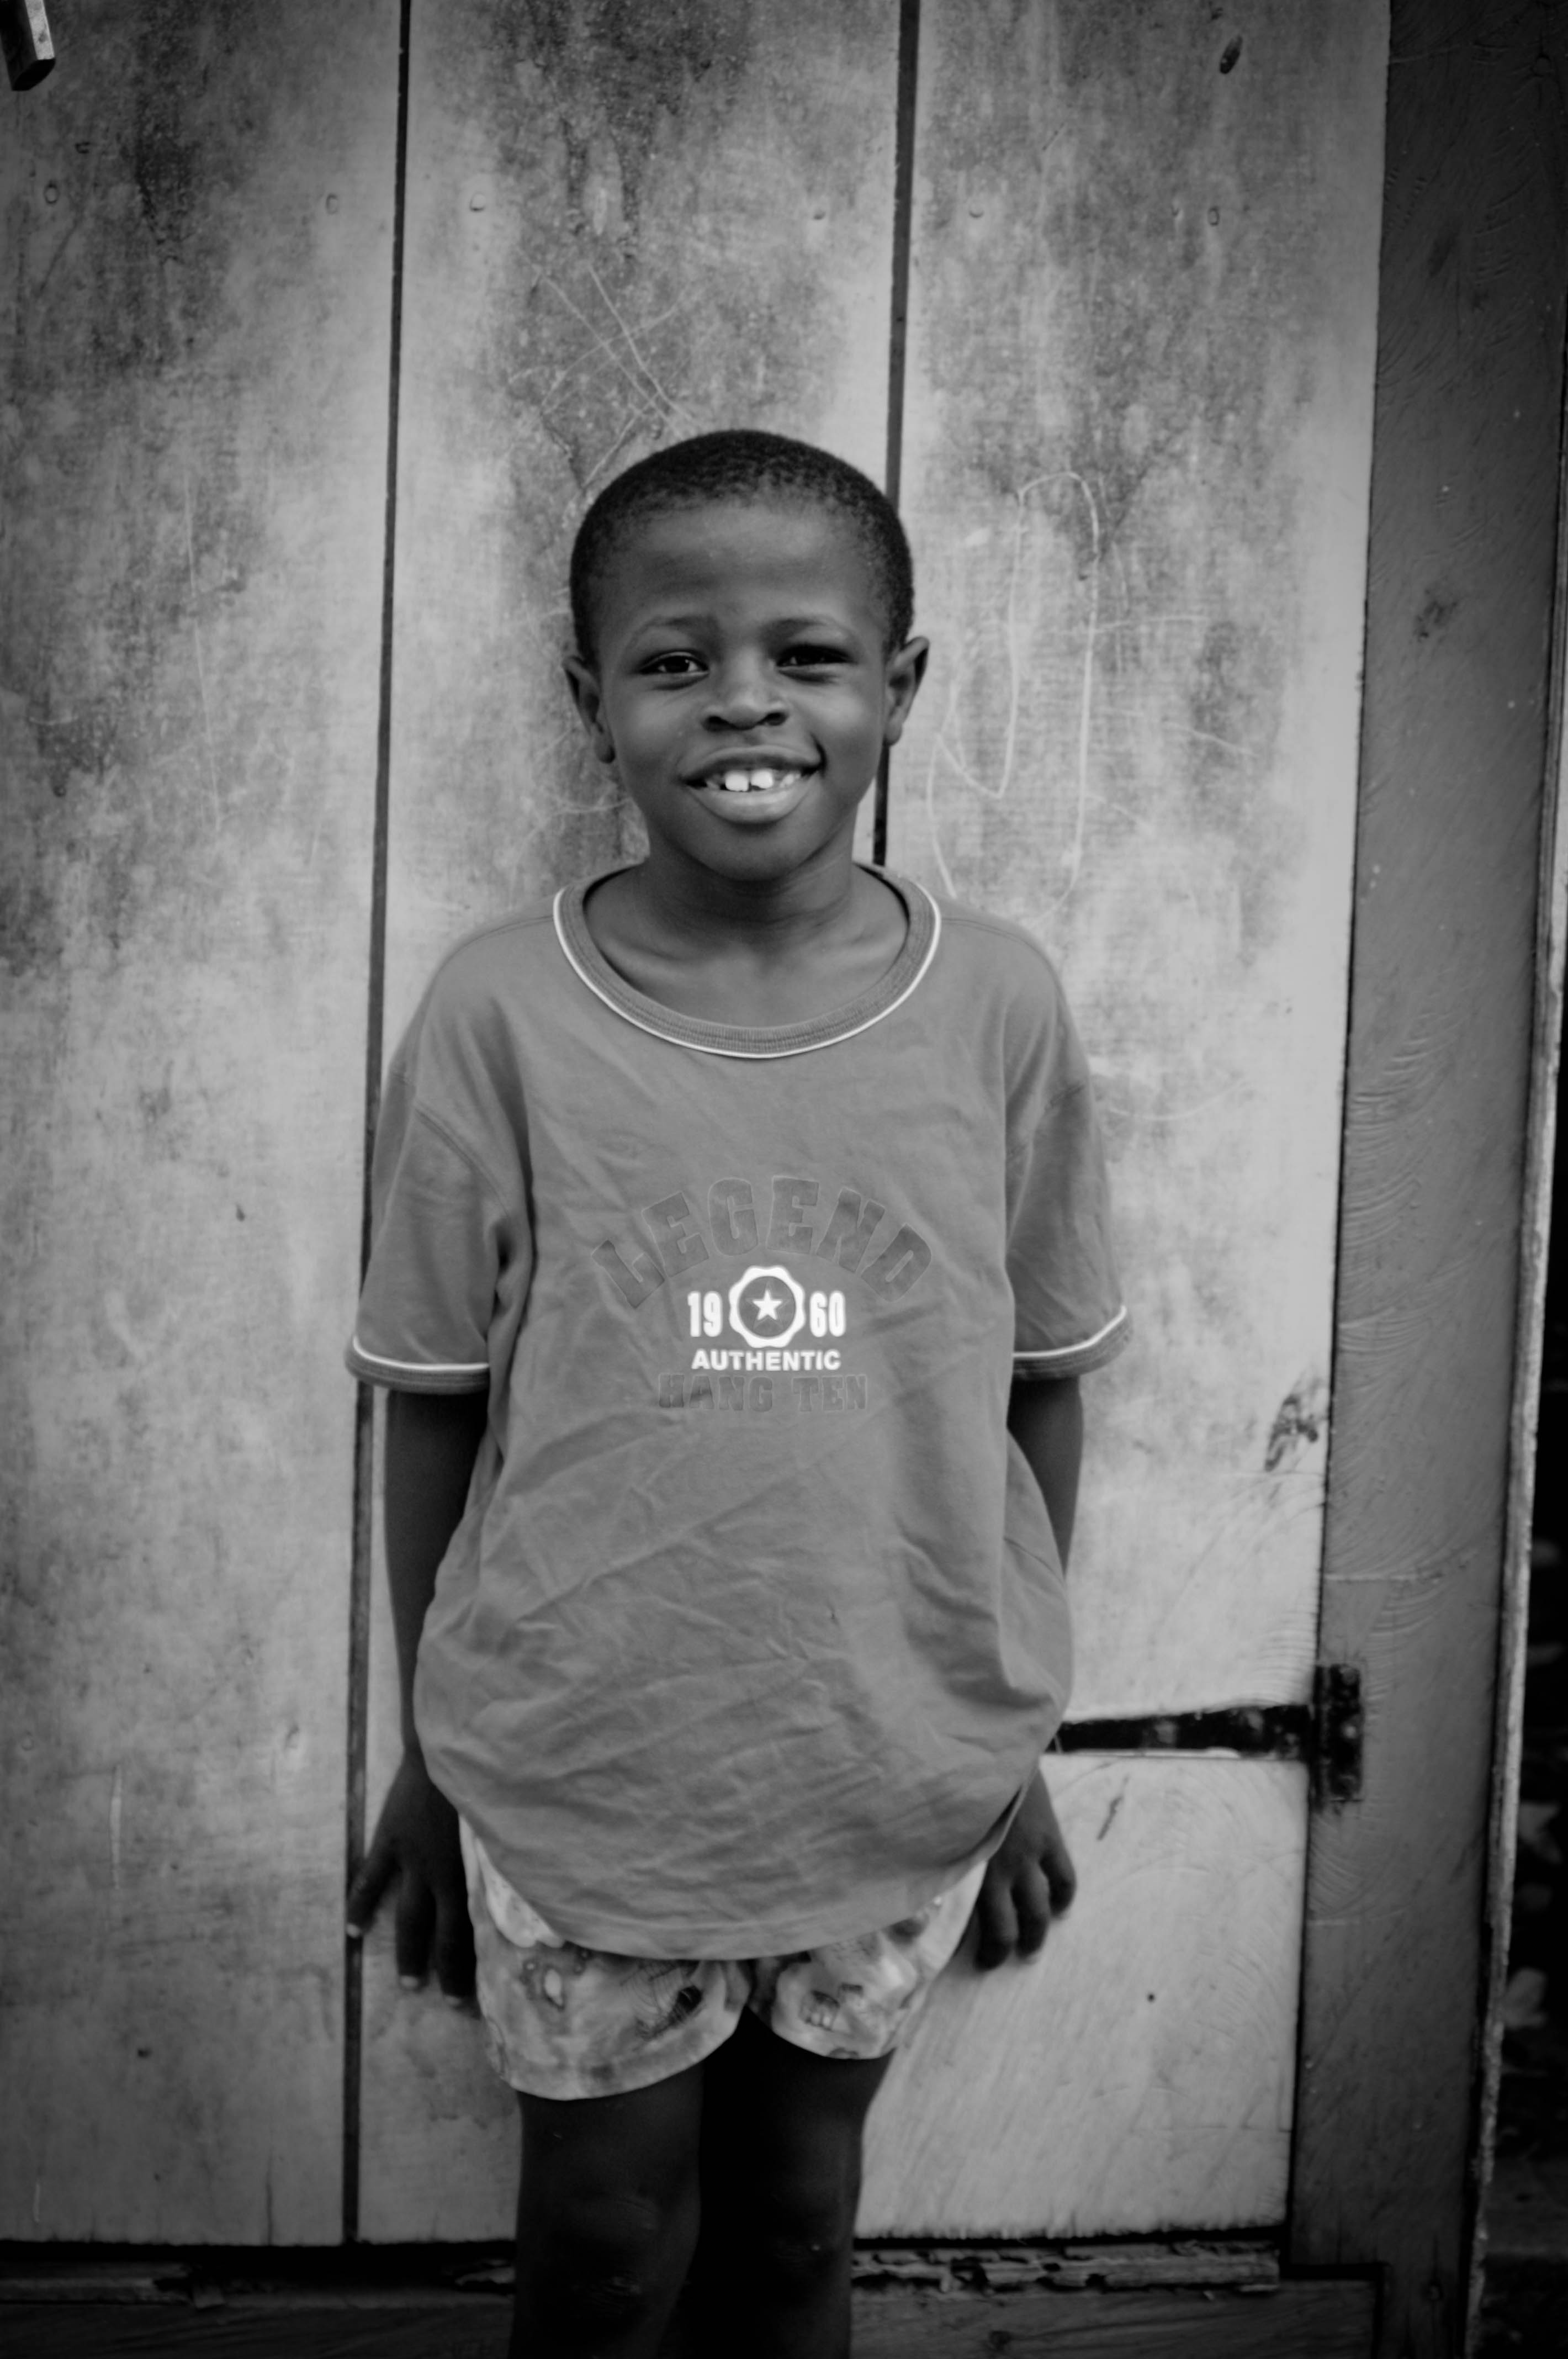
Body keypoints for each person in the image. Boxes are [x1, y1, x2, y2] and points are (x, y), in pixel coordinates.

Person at [345, 429, 1129, 2359]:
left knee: (796, 2233)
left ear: (902, 687)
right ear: (589, 699)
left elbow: (1037, 1392)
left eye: (809, 655)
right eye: (677, 660)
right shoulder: (499, 1013)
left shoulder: (999, 1008)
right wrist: (437, 1759)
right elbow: (432, 1402)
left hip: (887, 1775)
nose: (747, 703)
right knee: (604, 2247)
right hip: (585, 1778)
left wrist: (1003, 1734)